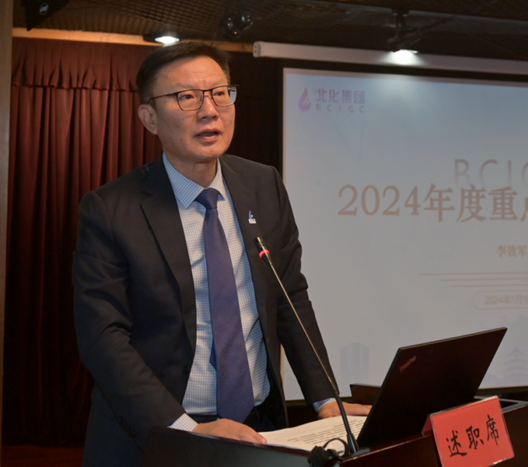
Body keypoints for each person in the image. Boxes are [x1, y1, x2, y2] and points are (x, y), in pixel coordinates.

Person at [73, 42, 369, 466]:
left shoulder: (263, 185)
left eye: (219, 93)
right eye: (186, 97)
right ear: (149, 117)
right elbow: (103, 337)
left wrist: (326, 400)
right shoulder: (111, 209)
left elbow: (290, 297)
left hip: (258, 428)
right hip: (159, 434)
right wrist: (186, 429)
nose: (209, 111)